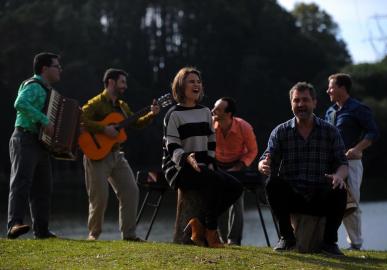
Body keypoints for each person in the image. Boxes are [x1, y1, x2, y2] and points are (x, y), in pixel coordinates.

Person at [258, 82, 349, 256]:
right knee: (272, 183)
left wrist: (338, 176)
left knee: (339, 188)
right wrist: (262, 164)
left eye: (305, 100)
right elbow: (266, 158)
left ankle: (329, 243)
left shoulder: (330, 131)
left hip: (320, 195)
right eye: (296, 100)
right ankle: (286, 237)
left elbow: (343, 164)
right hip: (294, 196)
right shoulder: (280, 132)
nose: (301, 104)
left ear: (314, 102)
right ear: (291, 104)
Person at [162, 67, 243, 248]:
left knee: (236, 187)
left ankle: (200, 224)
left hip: (202, 165)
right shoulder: (173, 114)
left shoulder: (206, 111)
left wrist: (210, 161)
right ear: (181, 86)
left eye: (198, 81)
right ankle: (211, 233)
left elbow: (211, 140)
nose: (196, 84)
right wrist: (187, 159)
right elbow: (172, 147)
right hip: (178, 168)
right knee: (214, 183)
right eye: (191, 81)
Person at [81, 68, 160, 241]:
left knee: (131, 190)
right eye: (122, 82)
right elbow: (81, 120)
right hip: (96, 156)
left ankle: (129, 235)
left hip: (117, 154)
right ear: (111, 82)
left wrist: (151, 115)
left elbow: (136, 124)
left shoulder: (122, 106)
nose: (125, 86)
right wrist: (103, 128)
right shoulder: (96, 103)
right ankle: (93, 235)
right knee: (100, 197)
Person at [7, 52, 61, 239]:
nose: (60, 69)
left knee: (43, 187)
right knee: (21, 183)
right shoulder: (33, 85)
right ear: (45, 69)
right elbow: (19, 103)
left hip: (40, 144)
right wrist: (44, 120)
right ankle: (14, 224)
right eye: (56, 66)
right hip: (25, 138)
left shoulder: (48, 91)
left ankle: (42, 230)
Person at [325, 73, 379, 250]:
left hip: (352, 163)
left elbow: (373, 132)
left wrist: (357, 149)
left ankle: (355, 244)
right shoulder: (330, 111)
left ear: (342, 87)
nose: (328, 90)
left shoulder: (358, 108)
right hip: (331, 164)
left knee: (352, 202)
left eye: (331, 87)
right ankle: (325, 241)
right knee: (328, 202)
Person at [212, 97, 258, 245]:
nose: (213, 111)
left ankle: (234, 240)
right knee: (217, 199)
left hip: (238, 165)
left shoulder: (244, 127)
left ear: (229, 113)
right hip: (217, 165)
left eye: (218, 110)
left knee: (237, 201)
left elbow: (253, 150)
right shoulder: (210, 125)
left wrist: (240, 165)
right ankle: (220, 238)